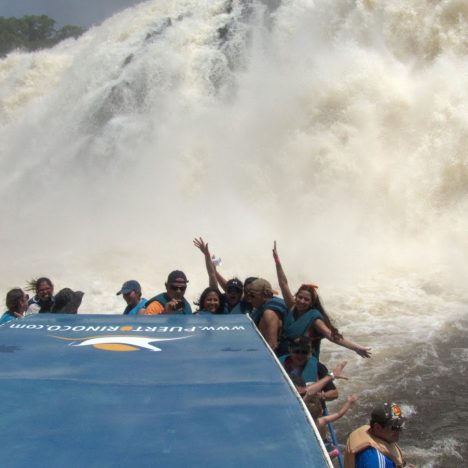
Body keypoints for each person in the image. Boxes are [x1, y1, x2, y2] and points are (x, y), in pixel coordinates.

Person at [273, 241, 371, 359]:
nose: (302, 301)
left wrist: (356, 348)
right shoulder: (292, 306)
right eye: (300, 297)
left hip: (303, 359)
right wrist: (277, 261)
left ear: (311, 303)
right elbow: (283, 284)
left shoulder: (314, 319)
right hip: (284, 356)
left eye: (306, 300)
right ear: (296, 296)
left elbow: (331, 336)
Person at [344, 402, 415, 468]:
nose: (399, 430)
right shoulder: (374, 460)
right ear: (377, 427)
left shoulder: (372, 434)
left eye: (399, 424)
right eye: (394, 427)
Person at [305, 394, 358, 459]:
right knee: (332, 448)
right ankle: (329, 455)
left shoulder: (305, 424)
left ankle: (328, 455)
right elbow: (339, 414)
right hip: (325, 443)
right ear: (321, 411)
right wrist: (349, 402)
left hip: (314, 444)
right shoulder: (322, 421)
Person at [246, 277, 288, 352]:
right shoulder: (260, 307)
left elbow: (272, 345)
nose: (249, 299)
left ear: (265, 295)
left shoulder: (269, 314)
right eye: (248, 295)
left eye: (252, 295)